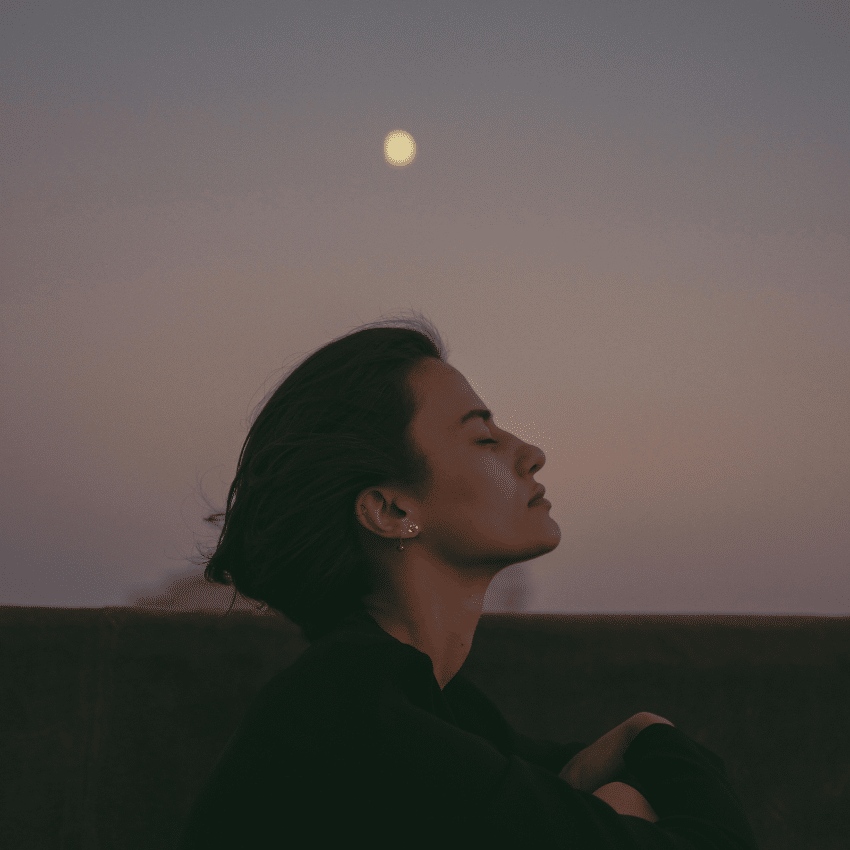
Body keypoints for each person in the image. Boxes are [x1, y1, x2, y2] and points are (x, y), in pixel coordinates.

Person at [177, 311, 759, 848]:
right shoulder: (356, 714)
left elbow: (546, 784)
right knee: (622, 802)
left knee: (620, 799)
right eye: (483, 438)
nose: (530, 453)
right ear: (393, 511)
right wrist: (651, 732)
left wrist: (630, 748)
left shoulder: (432, 704)